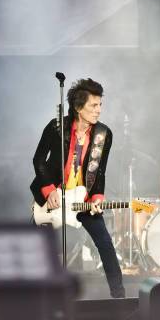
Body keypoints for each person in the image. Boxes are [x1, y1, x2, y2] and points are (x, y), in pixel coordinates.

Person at [31, 78, 125, 298]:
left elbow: (99, 171)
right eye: (94, 105)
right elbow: (38, 160)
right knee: (35, 249)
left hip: (83, 198)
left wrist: (98, 198)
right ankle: (29, 300)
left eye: (100, 104)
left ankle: (119, 297)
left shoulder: (104, 134)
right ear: (77, 107)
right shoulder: (56, 127)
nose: (99, 110)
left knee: (105, 244)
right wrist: (48, 189)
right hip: (51, 197)